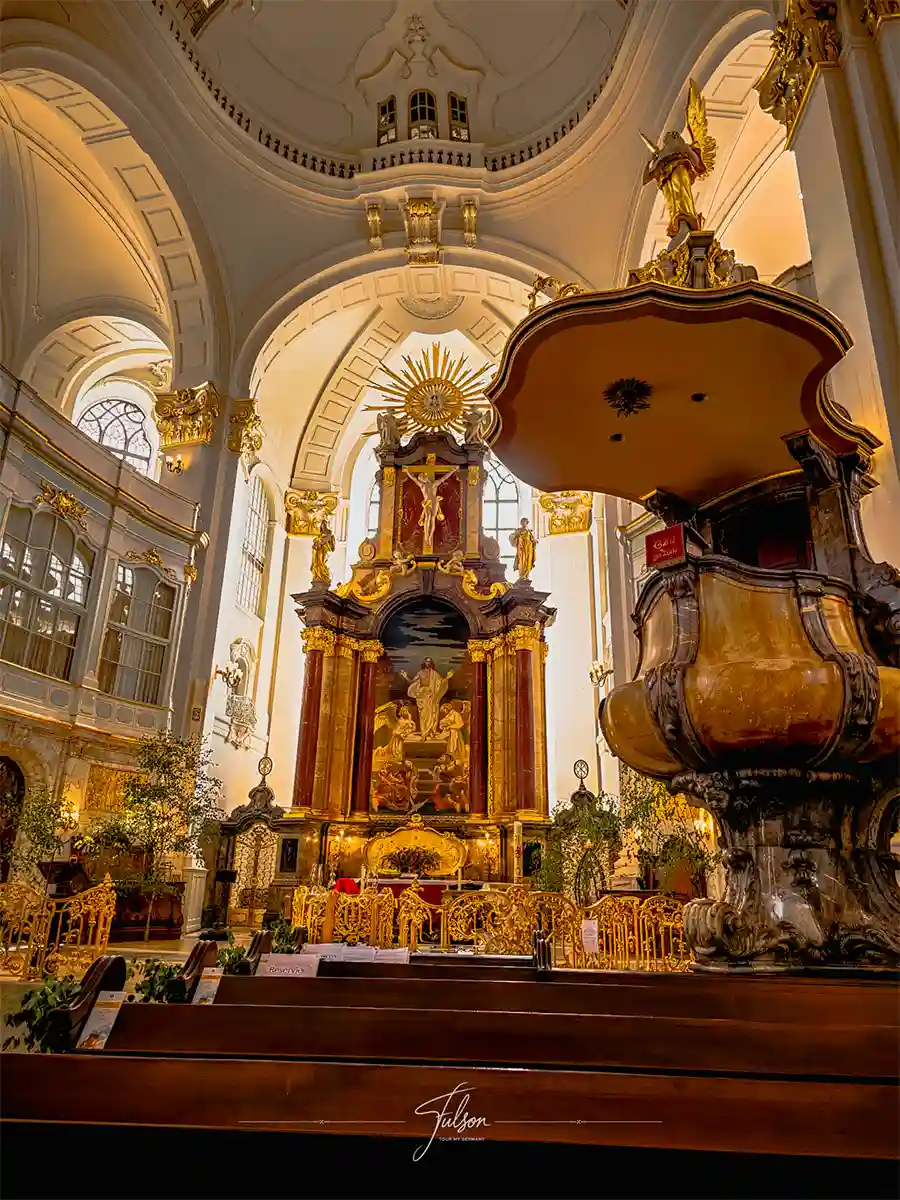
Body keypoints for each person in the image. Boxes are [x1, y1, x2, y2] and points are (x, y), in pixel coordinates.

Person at [401, 657, 452, 738]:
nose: (428, 663)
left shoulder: (434, 673)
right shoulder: (420, 673)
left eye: (429, 662)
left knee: (432, 713)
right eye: (426, 662)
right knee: (423, 715)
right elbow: (412, 681)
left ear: (431, 663)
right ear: (424, 663)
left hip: (431, 695)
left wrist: (447, 677)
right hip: (422, 696)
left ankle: (431, 731)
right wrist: (405, 676)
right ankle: (424, 731)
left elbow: (441, 683)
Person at [509, 517, 536, 581]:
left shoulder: (529, 531)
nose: (523, 523)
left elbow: (532, 539)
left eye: (525, 521)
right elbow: (512, 537)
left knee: (528, 562)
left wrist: (534, 541)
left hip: (529, 549)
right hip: (522, 549)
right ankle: (522, 576)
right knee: (522, 562)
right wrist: (517, 536)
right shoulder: (519, 530)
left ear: (527, 523)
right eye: (522, 522)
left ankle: (526, 575)